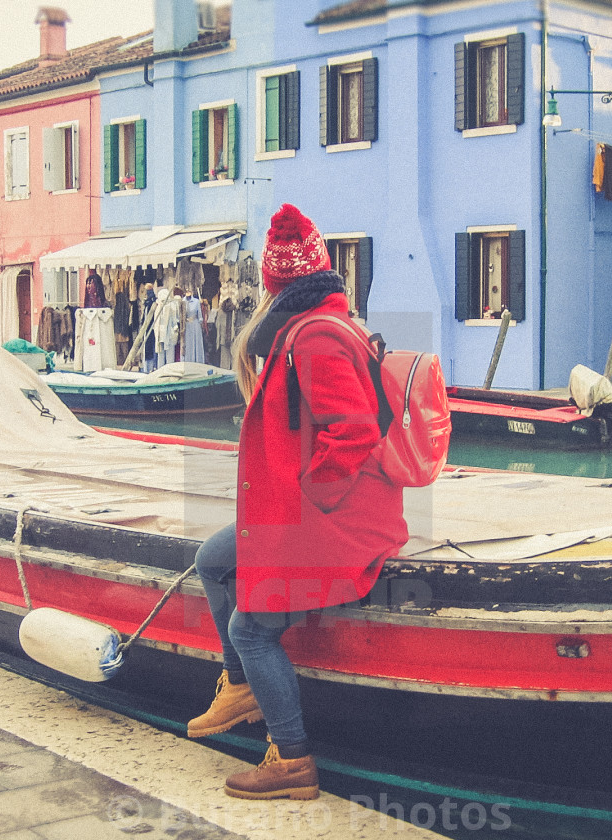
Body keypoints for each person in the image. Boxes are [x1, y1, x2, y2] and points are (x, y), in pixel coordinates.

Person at [186, 204, 408, 800]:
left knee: (251, 627)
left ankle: (292, 760)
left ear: (274, 283)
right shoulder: (319, 325)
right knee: (212, 559)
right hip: (311, 512)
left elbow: (354, 431)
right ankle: (239, 687)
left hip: (338, 522)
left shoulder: (313, 339)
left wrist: (311, 499)